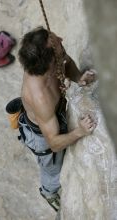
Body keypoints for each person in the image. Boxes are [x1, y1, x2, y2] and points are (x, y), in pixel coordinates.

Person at [18, 26, 96, 211]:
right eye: (56, 42)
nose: (61, 38)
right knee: (53, 167)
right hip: (41, 136)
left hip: (54, 114)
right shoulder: (40, 98)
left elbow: (66, 62)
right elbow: (53, 143)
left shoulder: (52, 61)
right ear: (51, 62)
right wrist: (80, 131)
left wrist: (78, 78)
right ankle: (48, 191)